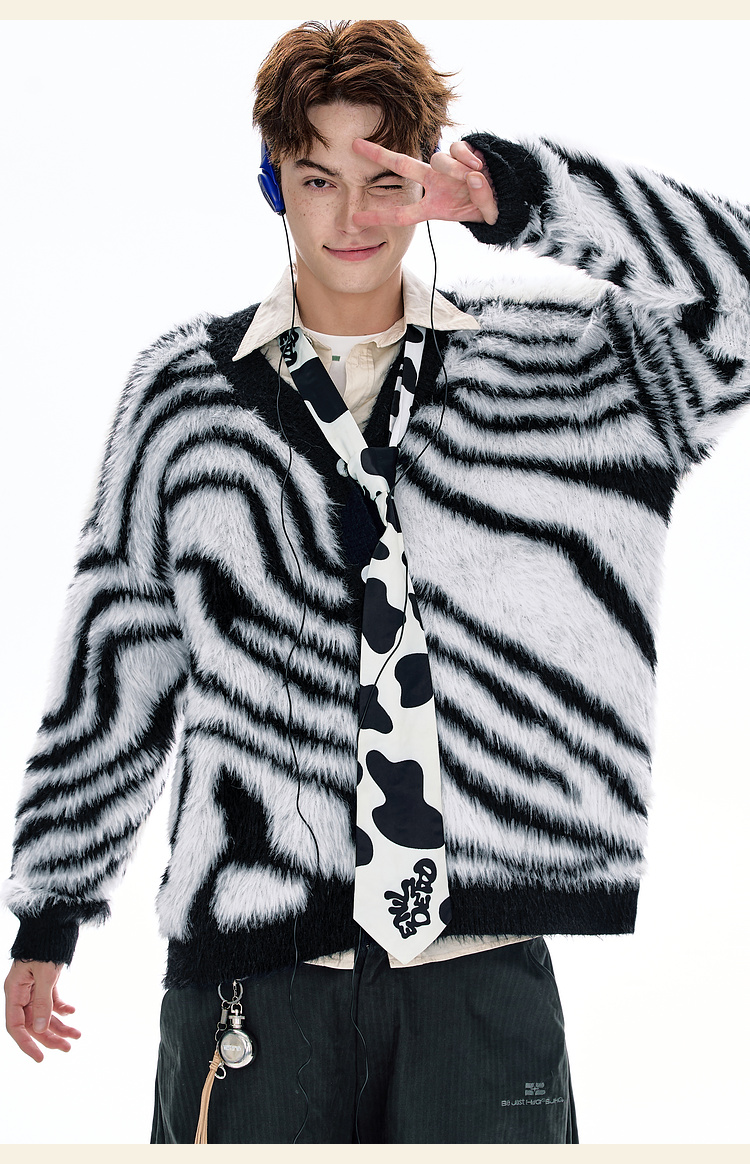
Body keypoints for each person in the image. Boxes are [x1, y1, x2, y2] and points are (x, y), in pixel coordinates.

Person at [3, 18, 749, 1145]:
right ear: (274, 181)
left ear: (425, 179)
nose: (351, 215)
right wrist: (51, 910)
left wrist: (517, 196)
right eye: (318, 178)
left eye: (383, 178)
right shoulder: (185, 395)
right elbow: (121, 655)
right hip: (257, 975)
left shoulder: (563, 371)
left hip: (481, 976)